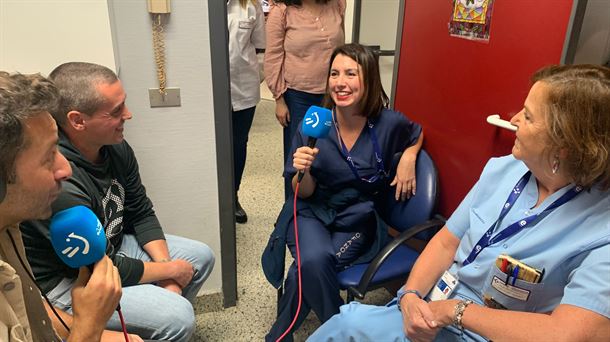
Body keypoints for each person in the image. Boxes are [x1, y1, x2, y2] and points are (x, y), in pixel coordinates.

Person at [308, 64, 610, 341]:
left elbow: (567, 334)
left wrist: (457, 312)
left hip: (487, 332)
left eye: (529, 117)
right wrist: (410, 295)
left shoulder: (601, 231)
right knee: (344, 326)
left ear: (565, 145)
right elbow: (446, 243)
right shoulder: (503, 170)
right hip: (434, 307)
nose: (515, 120)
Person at [20, 62, 216, 342]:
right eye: (116, 111)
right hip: (73, 278)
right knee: (177, 317)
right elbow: (95, 267)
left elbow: (140, 210)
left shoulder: (115, 145)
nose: (129, 114)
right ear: (78, 121)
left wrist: (166, 274)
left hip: (114, 244)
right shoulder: (60, 185)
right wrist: (170, 271)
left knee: (201, 257)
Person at [262, 43, 425, 341]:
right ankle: (344, 330)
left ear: (369, 79)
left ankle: (278, 337)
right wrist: (304, 171)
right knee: (311, 262)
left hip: (356, 220)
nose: (340, 82)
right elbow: (302, 192)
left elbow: (417, 132)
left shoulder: (388, 123)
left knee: (304, 270)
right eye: (334, 73)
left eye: (351, 73)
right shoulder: (314, 124)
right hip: (311, 213)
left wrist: (410, 157)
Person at [0, 71, 124, 341]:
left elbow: (27, 309)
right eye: (48, 158)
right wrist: (89, 328)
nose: (66, 169)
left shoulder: (9, 224)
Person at [264, 0, 346, 198]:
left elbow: (341, 51)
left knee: (330, 153)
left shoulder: (337, 4)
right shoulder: (282, 11)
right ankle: (292, 214)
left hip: (334, 96)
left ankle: (324, 206)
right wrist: (279, 99)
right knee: (298, 158)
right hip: (298, 97)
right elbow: (273, 57)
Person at [228, 0, 266, 224]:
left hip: (243, 89)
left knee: (238, 143)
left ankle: (232, 196)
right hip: (211, 91)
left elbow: (260, 43)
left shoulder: (250, 5)